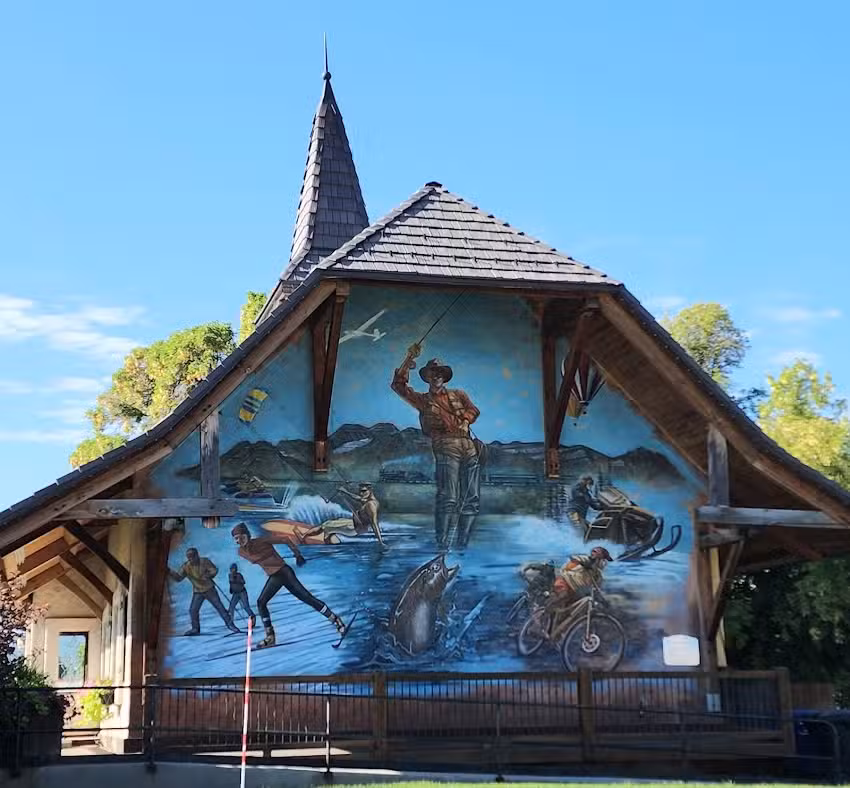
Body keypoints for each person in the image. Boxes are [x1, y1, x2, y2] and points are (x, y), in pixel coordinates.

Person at [391, 343, 481, 549]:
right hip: (445, 446)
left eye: (440, 373)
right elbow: (398, 386)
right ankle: (443, 547)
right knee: (448, 498)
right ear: (428, 377)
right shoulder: (423, 400)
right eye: (433, 373)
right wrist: (408, 360)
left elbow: (473, 410)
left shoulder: (458, 394)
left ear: (444, 376)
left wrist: (466, 420)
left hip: (469, 447)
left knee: (472, 499)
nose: (436, 376)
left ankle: (462, 547)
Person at [230, 522, 347, 649]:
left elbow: (285, 539)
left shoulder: (262, 541)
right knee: (261, 602)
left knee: (307, 598)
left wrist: (297, 554)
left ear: (247, 535)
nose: (239, 540)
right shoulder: (241, 552)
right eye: (236, 538)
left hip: (284, 572)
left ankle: (336, 620)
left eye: (241, 537)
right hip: (275, 577)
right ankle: (270, 637)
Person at [168, 548, 241, 636]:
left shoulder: (204, 561)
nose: (191, 559)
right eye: (189, 557)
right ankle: (195, 629)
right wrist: (169, 572)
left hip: (209, 589)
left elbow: (214, 570)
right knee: (193, 610)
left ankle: (230, 625)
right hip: (198, 591)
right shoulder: (186, 566)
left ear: (197, 555)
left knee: (220, 607)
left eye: (192, 556)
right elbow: (178, 578)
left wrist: (209, 574)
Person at [228, 563, 255, 627]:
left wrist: (236, 579)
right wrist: (231, 589)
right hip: (235, 593)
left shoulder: (239, 575)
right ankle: (230, 622)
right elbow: (230, 584)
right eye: (231, 569)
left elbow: (243, 582)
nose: (232, 570)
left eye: (233, 569)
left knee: (246, 606)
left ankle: (253, 618)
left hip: (242, 592)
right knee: (231, 607)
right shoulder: (229, 576)